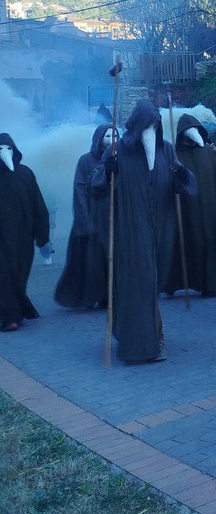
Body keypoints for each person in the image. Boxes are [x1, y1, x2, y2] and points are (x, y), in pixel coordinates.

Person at [92, 102, 196, 364]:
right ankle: (148, 341)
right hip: (130, 231)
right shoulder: (118, 152)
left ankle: (134, 331)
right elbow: (96, 186)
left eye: (156, 124)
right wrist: (107, 172)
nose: (152, 129)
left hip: (162, 230)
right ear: (137, 125)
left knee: (152, 284)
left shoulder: (166, 150)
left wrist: (181, 174)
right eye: (147, 124)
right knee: (140, 284)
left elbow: (185, 185)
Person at [164, 114, 216, 298]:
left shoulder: (209, 153)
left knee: (208, 244)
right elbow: (165, 184)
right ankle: (175, 283)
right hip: (184, 211)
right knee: (182, 245)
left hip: (208, 209)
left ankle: (209, 285)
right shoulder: (174, 156)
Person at [54, 124, 114, 310]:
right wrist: (85, 219)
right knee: (92, 260)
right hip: (92, 216)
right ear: (99, 138)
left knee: (112, 258)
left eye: (115, 135)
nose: (112, 139)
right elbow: (79, 190)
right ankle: (93, 294)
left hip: (113, 218)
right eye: (108, 135)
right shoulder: (86, 161)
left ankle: (110, 295)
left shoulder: (120, 159)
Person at [0, 133, 51, 333]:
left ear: (15, 150)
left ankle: (13, 312)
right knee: (4, 275)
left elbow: (38, 206)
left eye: (8, 148)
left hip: (23, 238)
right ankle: (11, 316)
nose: (4, 153)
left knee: (18, 275)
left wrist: (42, 236)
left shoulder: (26, 174)